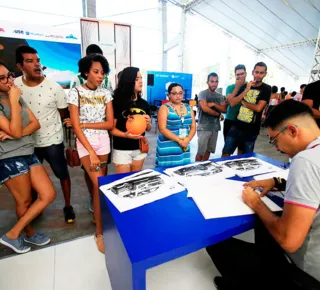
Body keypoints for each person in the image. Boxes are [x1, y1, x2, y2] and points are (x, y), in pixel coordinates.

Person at [207, 100, 320, 289]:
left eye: (274, 139)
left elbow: (289, 241)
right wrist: (277, 182)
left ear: (292, 131)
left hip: (307, 275)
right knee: (265, 225)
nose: (275, 148)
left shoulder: (305, 161)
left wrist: (256, 203)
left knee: (215, 242)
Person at [14, 45, 75, 223]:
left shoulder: (54, 87)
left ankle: (68, 205)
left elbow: (63, 113)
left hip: (52, 141)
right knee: (30, 179)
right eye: (30, 61)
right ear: (20, 66)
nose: (36, 65)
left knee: (62, 174)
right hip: (27, 142)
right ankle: (35, 208)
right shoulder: (15, 86)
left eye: (38, 61)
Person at [0, 61, 56, 254]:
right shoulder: (11, 97)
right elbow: (15, 130)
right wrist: (13, 101)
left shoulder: (14, 95)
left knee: (48, 194)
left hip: (28, 151)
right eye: (2, 78)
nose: (9, 80)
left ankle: (14, 234)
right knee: (23, 201)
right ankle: (25, 234)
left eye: (9, 75)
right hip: (9, 157)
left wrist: (16, 133)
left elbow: (35, 123)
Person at [67, 54, 113, 253]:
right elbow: (75, 128)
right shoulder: (75, 93)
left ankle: (100, 222)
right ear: (86, 72)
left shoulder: (106, 93)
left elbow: (110, 124)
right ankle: (100, 233)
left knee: (98, 186)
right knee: (99, 184)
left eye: (102, 72)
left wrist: (84, 123)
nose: (100, 76)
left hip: (104, 141)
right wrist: (91, 151)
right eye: (96, 72)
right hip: (86, 143)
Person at [222, 62, 271, 157]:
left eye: (261, 73)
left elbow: (258, 108)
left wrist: (243, 102)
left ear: (265, 74)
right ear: (252, 72)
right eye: (256, 72)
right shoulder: (245, 86)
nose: (258, 75)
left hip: (251, 129)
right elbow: (232, 103)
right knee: (226, 152)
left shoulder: (266, 88)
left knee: (244, 157)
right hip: (236, 125)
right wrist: (246, 90)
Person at [111, 67, 152, 173]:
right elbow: (111, 129)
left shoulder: (144, 104)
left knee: (135, 181)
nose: (141, 81)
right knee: (124, 182)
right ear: (128, 81)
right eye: (137, 78)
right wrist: (125, 135)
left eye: (141, 78)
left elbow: (148, 129)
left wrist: (148, 123)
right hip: (122, 149)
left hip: (139, 149)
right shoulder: (116, 102)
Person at [156, 83, 196, 167]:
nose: (178, 96)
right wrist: (179, 140)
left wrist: (187, 140)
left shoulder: (188, 107)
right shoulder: (164, 108)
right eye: (174, 93)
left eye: (180, 93)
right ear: (169, 95)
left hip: (184, 146)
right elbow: (162, 129)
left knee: (182, 170)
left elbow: (193, 127)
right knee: (167, 172)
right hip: (168, 147)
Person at [196, 72, 226, 161]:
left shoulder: (220, 96)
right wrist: (218, 114)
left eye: (216, 82)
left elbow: (224, 110)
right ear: (207, 82)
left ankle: (204, 168)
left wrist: (213, 104)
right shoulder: (202, 94)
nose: (214, 84)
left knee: (209, 151)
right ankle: (195, 170)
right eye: (212, 81)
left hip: (215, 128)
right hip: (203, 127)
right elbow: (205, 108)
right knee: (200, 153)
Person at [224, 64, 247, 142]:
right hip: (230, 119)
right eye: (238, 74)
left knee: (241, 148)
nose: (240, 76)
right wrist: (237, 87)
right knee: (227, 149)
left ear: (246, 73)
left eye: (242, 74)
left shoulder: (250, 86)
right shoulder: (230, 87)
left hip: (244, 121)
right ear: (235, 75)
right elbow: (231, 102)